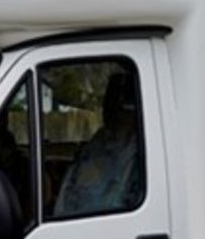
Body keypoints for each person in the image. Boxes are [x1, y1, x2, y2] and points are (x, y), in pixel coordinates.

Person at [52, 72, 142, 217]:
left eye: (117, 103)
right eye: (108, 101)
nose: (108, 109)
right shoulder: (99, 142)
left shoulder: (144, 152)